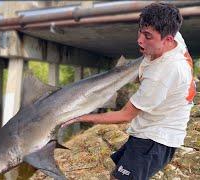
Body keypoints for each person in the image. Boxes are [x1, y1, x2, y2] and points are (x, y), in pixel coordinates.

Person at [62, 3, 195, 180]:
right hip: (149, 127)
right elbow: (187, 59)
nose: (140, 40)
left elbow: (125, 115)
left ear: (168, 40)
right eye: (140, 31)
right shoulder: (175, 37)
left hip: (155, 139)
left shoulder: (160, 76)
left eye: (148, 36)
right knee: (116, 173)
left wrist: (80, 116)